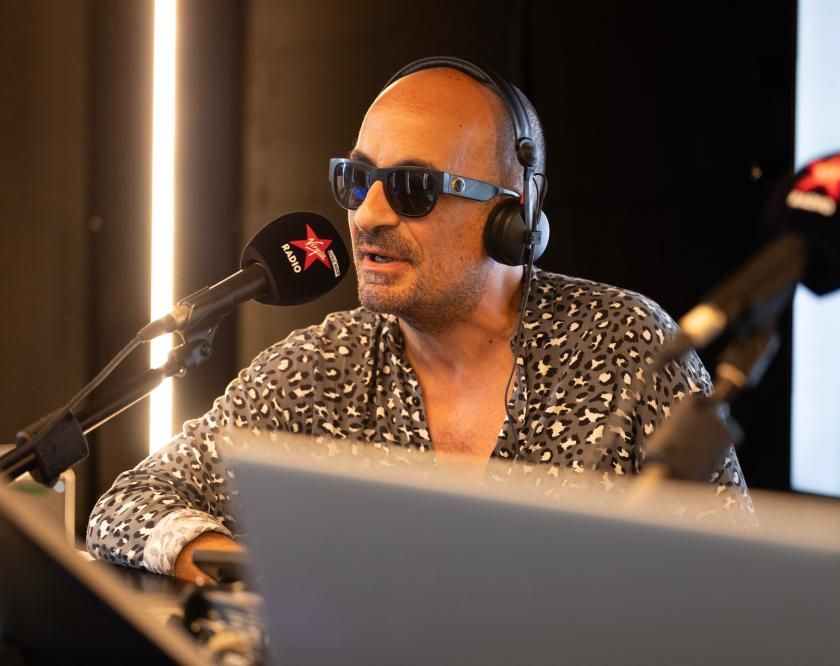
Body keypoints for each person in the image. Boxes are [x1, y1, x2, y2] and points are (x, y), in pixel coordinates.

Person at [87, 57, 753, 583]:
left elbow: (734, 584)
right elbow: (128, 505)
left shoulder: (630, 347)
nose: (368, 215)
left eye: (412, 189)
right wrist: (244, 571)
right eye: (357, 180)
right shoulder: (318, 369)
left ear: (512, 214)